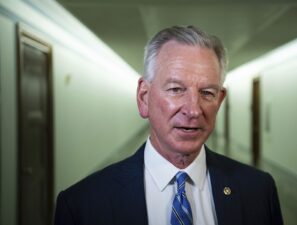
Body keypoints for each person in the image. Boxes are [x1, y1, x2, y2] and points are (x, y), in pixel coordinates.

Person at [54, 25, 283, 225]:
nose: (193, 110)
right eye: (176, 90)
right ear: (144, 98)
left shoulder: (259, 191)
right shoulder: (82, 205)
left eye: (207, 93)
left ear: (220, 101)